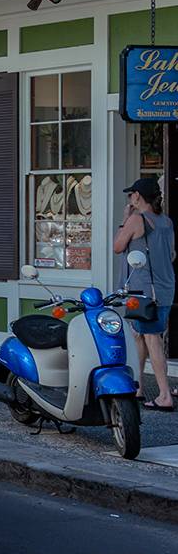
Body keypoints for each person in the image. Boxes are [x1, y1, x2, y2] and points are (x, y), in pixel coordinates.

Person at [114, 176, 175, 411]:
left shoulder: (136, 219)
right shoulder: (166, 222)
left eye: (131, 194)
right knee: (139, 335)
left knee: (152, 338)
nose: (129, 198)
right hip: (165, 286)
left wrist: (124, 219)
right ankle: (137, 387)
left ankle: (164, 395)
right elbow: (172, 254)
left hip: (143, 289)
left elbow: (118, 247)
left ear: (137, 197)